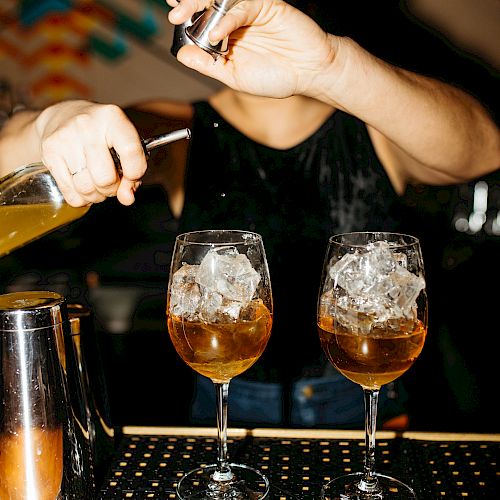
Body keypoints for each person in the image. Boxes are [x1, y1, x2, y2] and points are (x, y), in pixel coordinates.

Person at [0, 0, 498, 429]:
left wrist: (332, 68)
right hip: (222, 406)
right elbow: (10, 154)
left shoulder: (378, 124)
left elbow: (483, 150)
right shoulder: (179, 127)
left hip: (367, 401)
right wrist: (51, 121)